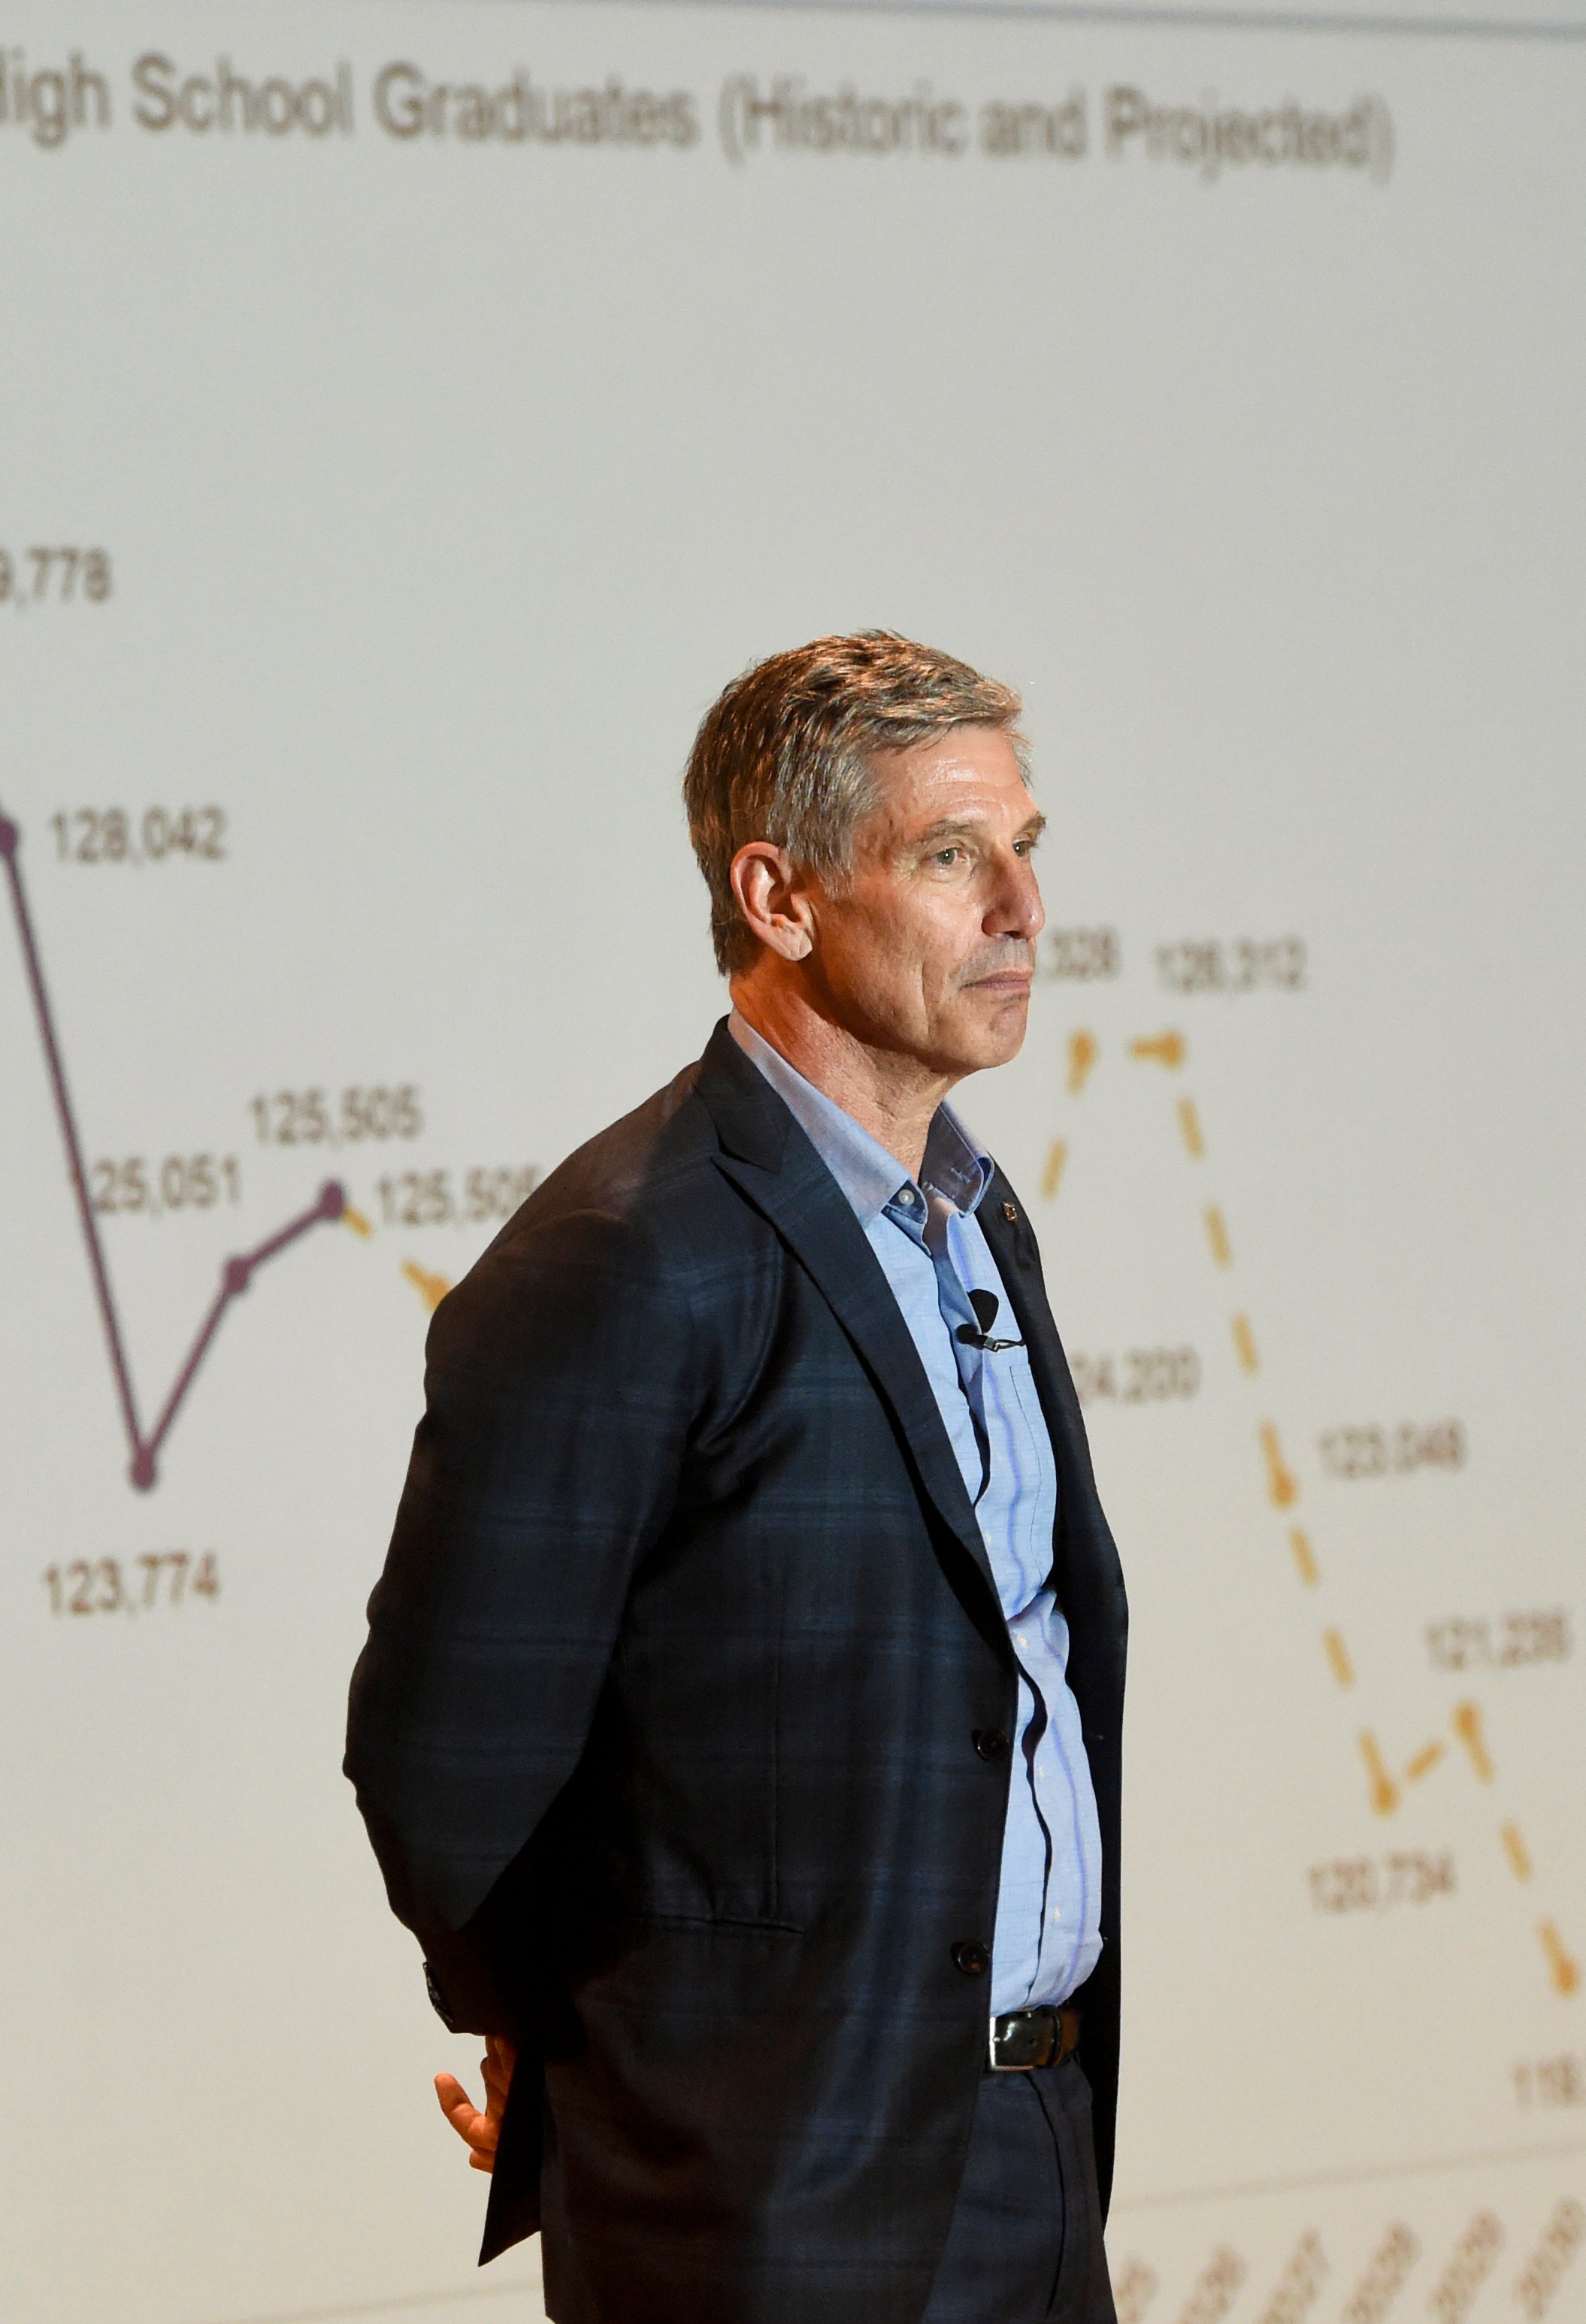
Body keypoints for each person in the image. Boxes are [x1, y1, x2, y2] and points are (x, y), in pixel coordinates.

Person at [345, 633, 1129, 2323]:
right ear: (779, 898)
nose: (1022, 907)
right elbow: (444, 1758)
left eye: (1028, 846)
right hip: (765, 2203)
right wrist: (597, 2058)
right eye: (949, 855)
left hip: (1035, 2153)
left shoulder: (981, 1225)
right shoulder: (626, 1258)